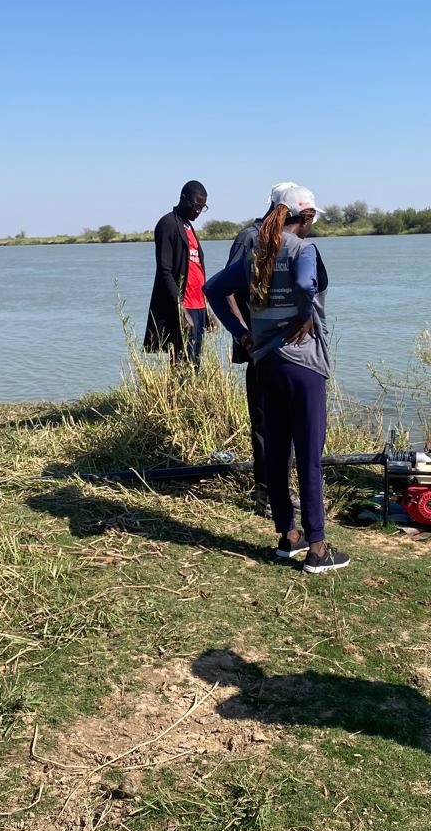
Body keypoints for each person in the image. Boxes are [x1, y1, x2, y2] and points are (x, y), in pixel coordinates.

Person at [204, 184, 349, 574]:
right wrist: (306, 314)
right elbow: (305, 285)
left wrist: (241, 332)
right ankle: (318, 547)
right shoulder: (304, 251)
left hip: (266, 363)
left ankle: (288, 536)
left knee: (277, 452)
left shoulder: (256, 251)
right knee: (309, 456)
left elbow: (213, 289)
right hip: (304, 366)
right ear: (306, 217)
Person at [220, 182, 302, 517]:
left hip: (288, 351)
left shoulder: (289, 240)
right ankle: (266, 495)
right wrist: (243, 334)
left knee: (289, 422)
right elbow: (223, 288)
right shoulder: (249, 238)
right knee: (265, 424)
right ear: (282, 209)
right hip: (261, 350)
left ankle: (283, 487)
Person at [143, 180, 214, 366]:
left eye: (202, 207)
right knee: (182, 364)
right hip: (184, 307)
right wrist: (180, 309)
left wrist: (207, 307)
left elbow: (197, 269)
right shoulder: (168, 224)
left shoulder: (188, 226)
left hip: (198, 305)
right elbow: (164, 271)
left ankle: (193, 396)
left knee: (195, 363)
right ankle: (175, 396)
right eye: (195, 205)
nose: (198, 211)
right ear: (183, 198)